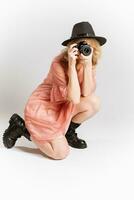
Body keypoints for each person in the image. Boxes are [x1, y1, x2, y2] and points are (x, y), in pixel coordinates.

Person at [3, 21, 107, 160]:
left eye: (87, 45)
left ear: (93, 47)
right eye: (80, 45)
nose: (84, 49)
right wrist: (71, 63)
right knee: (60, 153)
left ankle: (68, 133)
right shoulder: (58, 64)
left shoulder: (88, 61)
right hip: (45, 107)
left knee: (94, 102)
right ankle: (22, 128)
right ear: (72, 46)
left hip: (64, 104)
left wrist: (87, 64)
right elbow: (75, 98)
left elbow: (87, 93)